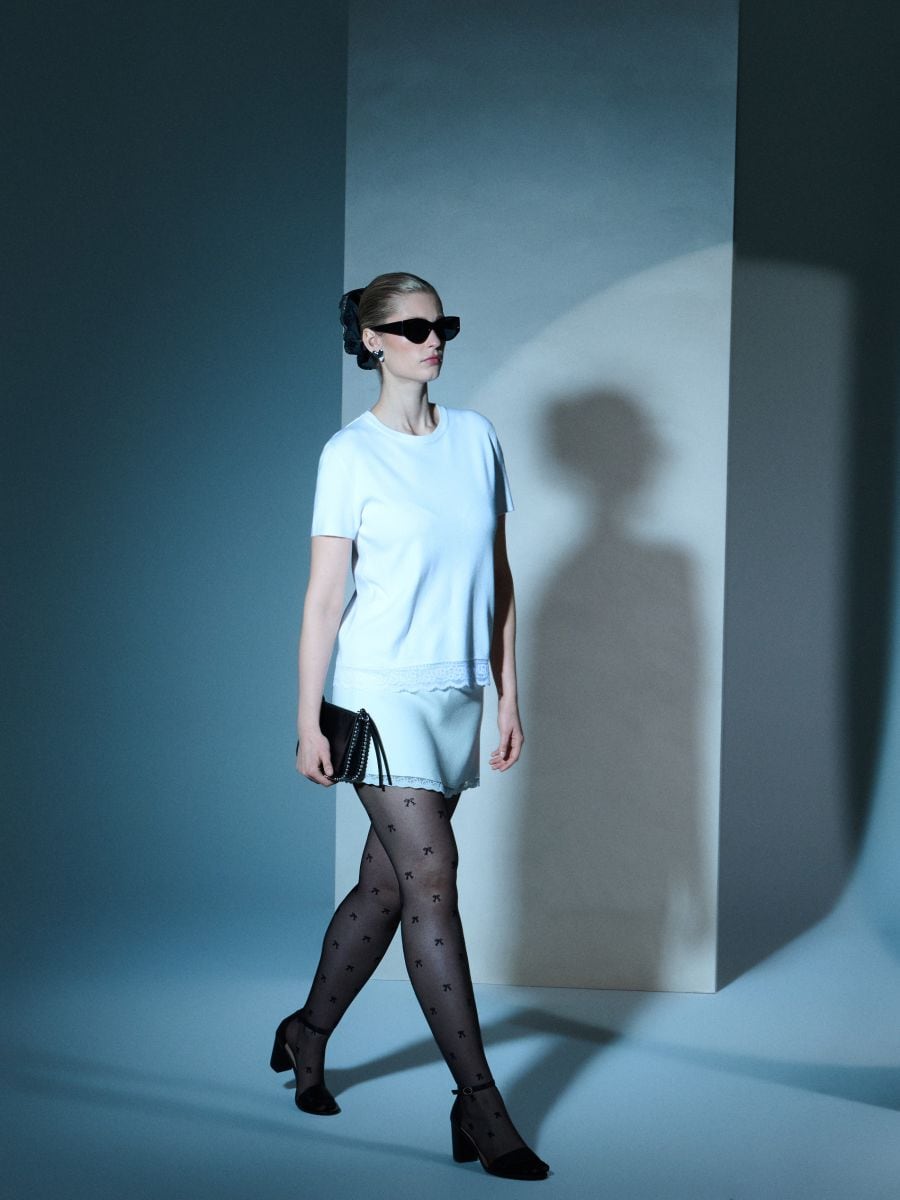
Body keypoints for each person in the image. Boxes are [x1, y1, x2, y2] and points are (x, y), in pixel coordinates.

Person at [270, 272, 549, 1181]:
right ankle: (480, 1103)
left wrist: (508, 694)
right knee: (432, 878)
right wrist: (306, 719)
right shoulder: (348, 455)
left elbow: (499, 580)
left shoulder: (477, 438)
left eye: (443, 325)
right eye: (414, 327)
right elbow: (324, 601)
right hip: (379, 696)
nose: (433, 341)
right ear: (372, 340)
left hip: (455, 693)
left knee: (387, 888)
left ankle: (307, 1034)